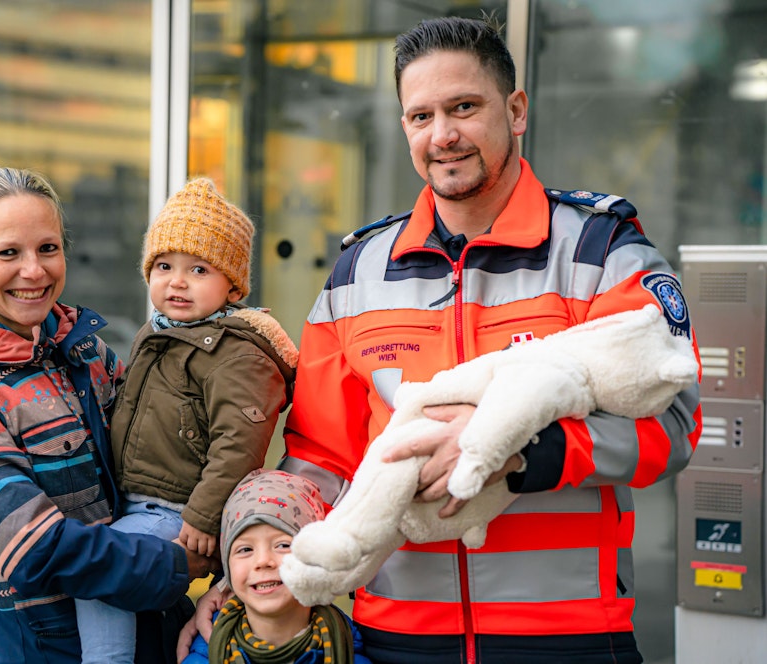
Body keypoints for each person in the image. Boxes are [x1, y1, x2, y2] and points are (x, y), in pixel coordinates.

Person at [184, 16, 702, 664]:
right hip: (396, 638)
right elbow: (319, 458)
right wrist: (255, 572)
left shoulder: (601, 249)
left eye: (463, 107)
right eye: (421, 115)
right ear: (404, 126)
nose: (443, 134)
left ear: (515, 111)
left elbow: (675, 423)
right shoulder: (359, 272)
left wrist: (517, 450)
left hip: (568, 635)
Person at [0, 166, 216, 663]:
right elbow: (35, 548)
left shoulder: (83, 349)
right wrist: (179, 563)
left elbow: (173, 460)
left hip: (155, 634)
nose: (35, 271)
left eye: (48, 248)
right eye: (9, 252)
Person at [75, 177, 299, 663]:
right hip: (136, 502)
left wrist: (201, 516)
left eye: (198, 268)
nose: (177, 281)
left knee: (102, 572)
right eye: (164, 265)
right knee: (116, 578)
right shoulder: (155, 335)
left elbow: (238, 444)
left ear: (231, 283)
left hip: (178, 511)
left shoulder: (236, 354)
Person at [182, 469, 370, 663]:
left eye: (283, 545)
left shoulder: (350, 655)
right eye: (245, 549)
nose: (263, 560)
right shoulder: (203, 657)